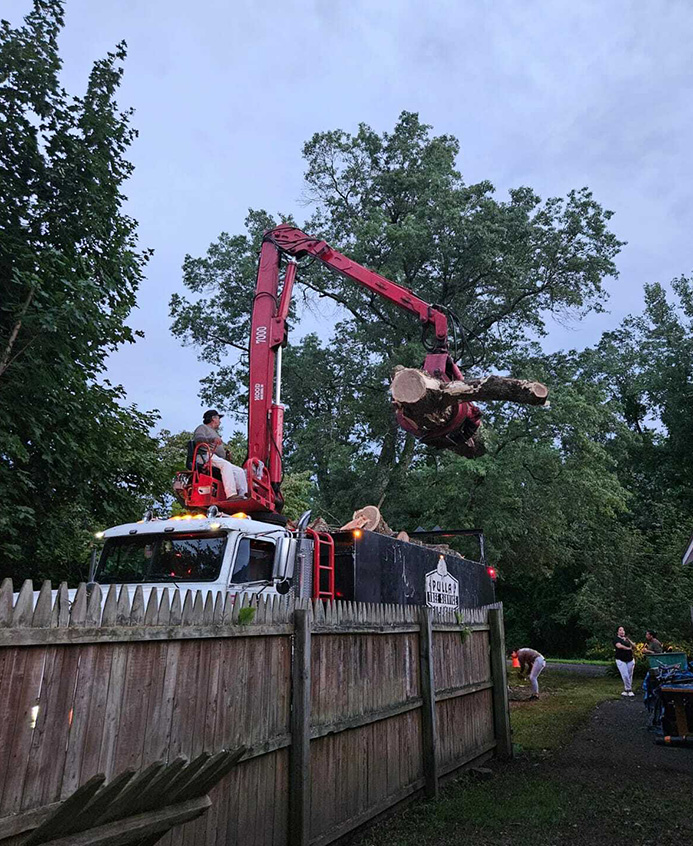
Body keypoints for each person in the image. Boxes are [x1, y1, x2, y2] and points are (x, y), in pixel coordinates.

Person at [193, 409, 248, 500]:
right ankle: (231, 495)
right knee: (225, 465)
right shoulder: (202, 428)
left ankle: (244, 495)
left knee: (239, 471)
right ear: (213, 418)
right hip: (205, 456)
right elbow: (198, 439)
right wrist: (212, 439)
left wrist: (225, 455)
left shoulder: (214, 432)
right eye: (219, 418)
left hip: (214, 458)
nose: (220, 421)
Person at [614, 625, 636, 697]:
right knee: (625, 675)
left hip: (630, 659)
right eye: (620, 630)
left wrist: (628, 640)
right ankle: (629, 689)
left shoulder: (627, 639)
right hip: (620, 660)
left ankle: (626, 690)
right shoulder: (616, 639)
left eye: (623, 630)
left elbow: (634, 646)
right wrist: (628, 648)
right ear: (617, 632)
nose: (622, 631)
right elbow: (619, 646)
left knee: (629, 675)